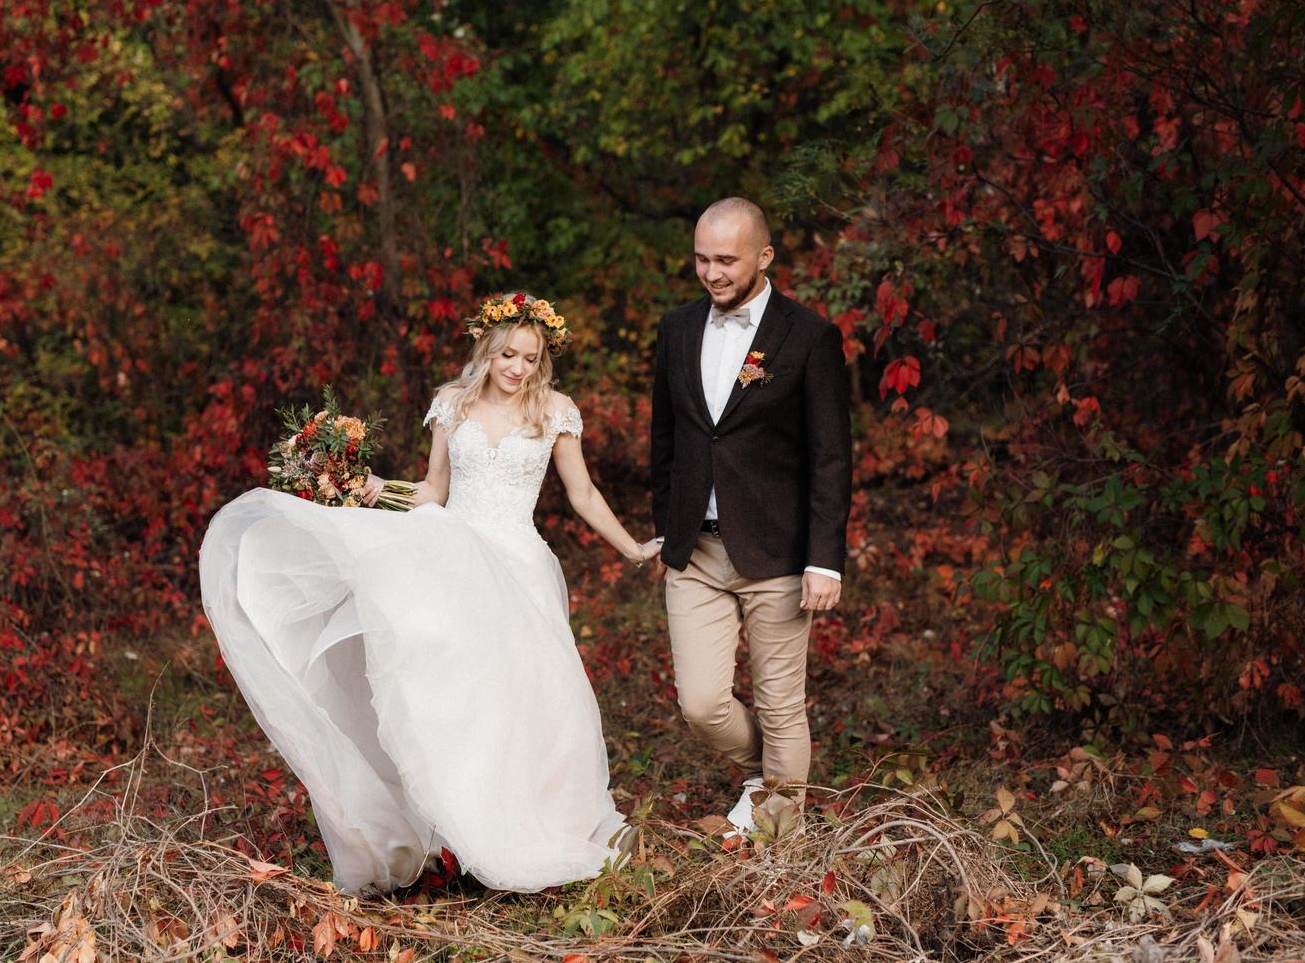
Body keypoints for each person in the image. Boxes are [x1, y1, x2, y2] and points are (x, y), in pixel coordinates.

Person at [199, 293, 661, 893]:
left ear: (544, 359)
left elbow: (584, 495)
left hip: (519, 564)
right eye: (507, 355)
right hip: (453, 556)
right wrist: (369, 490)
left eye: (530, 357)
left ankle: (538, 819)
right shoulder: (453, 404)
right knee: (457, 695)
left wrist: (631, 548)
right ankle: (460, 828)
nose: (517, 368)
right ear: (487, 351)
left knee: (532, 697)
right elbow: (433, 491)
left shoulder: (556, 411)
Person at [649, 197, 851, 833]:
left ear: (764, 256)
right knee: (701, 704)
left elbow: (830, 457)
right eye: (702, 259)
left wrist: (825, 559)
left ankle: (776, 844)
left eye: (727, 260)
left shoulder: (810, 337)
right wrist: (665, 526)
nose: (712, 272)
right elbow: (667, 438)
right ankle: (775, 774)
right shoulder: (676, 329)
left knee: (781, 701)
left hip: (778, 551)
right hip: (697, 552)